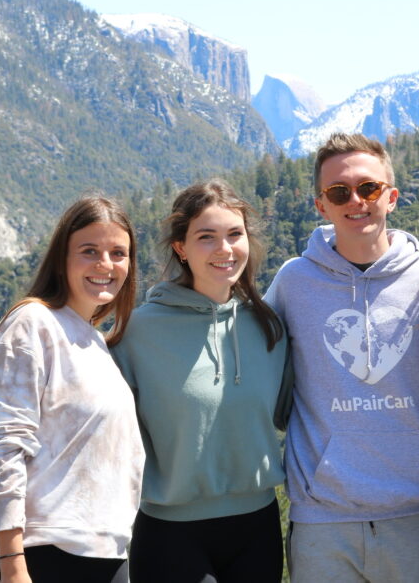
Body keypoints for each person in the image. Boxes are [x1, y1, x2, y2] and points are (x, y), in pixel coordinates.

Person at [265, 133, 419, 582]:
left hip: (417, 513)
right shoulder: (293, 283)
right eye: (339, 192)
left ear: (391, 197)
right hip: (322, 520)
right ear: (321, 206)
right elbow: (237, 343)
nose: (356, 201)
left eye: (369, 188)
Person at [112, 179, 290, 582]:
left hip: (258, 527)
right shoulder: (137, 333)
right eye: (206, 237)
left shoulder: (269, 327)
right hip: (170, 534)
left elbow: (290, 414)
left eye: (234, 235)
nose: (224, 249)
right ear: (181, 247)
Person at [0, 195, 146, 583]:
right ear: (62, 258)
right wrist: (12, 563)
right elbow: (5, 446)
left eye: (118, 253)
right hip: (41, 554)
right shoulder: (32, 324)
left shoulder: (94, 339)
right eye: (89, 251)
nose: (105, 264)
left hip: (101, 551)